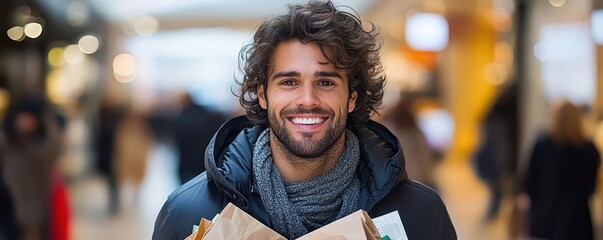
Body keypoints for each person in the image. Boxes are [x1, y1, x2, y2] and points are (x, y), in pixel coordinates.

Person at [152, 1, 456, 239]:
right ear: (262, 95)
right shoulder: (188, 215)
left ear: (352, 97)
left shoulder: (419, 214)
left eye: (325, 82)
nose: (308, 99)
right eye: (289, 82)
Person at [519, 100, 600, 240]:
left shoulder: (542, 145)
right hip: (578, 223)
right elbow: (591, 189)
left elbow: (529, 184)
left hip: (544, 219)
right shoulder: (589, 150)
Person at [0, 92, 67, 240]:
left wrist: (48, 121)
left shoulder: (44, 143)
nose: (25, 121)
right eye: (23, 116)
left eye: (31, 117)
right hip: (9, 211)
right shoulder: (6, 139)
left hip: (39, 215)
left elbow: (55, 147)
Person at [383, 93, 437, 188]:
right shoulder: (416, 133)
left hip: (399, 181)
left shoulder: (388, 133)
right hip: (419, 179)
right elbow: (425, 158)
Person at [173, 92, 225, 184]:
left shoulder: (182, 118)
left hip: (187, 164)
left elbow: (177, 141)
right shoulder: (206, 115)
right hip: (204, 164)